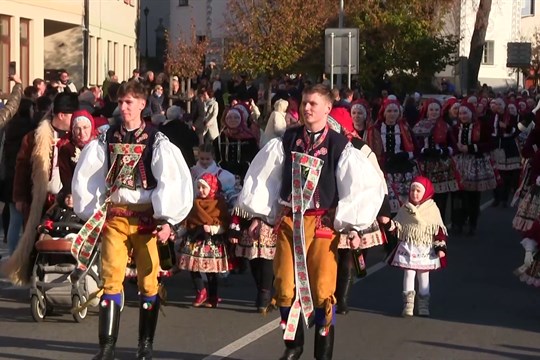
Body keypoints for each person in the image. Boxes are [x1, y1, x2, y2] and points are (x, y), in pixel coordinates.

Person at [235, 84, 385, 359]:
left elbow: (357, 186)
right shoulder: (287, 140)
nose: (306, 108)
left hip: (322, 224)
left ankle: (322, 354)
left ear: (328, 108)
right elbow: (266, 177)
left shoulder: (340, 145)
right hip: (290, 221)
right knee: (284, 286)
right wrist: (259, 214)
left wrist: (353, 226)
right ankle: (294, 346)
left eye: (313, 104)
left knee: (323, 290)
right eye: (304, 103)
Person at [71, 81, 193, 360]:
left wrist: (167, 220)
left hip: (146, 220)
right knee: (111, 278)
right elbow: (89, 176)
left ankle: (145, 346)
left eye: (129, 102)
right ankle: (107, 347)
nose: (123, 107)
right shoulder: (106, 137)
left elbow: (170, 179)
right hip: (115, 217)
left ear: (142, 105)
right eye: (121, 102)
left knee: (149, 282)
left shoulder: (156, 140)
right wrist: (93, 212)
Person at [1, 92, 79, 285]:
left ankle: (66, 279)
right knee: (36, 239)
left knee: (67, 239)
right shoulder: (33, 137)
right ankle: (36, 280)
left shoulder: (76, 138)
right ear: (61, 115)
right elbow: (21, 168)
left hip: (69, 200)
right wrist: (19, 197)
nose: (74, 120)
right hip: (42, 198)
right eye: (71, 116)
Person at [387, 176, 447, 317]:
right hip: (409, 246)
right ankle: (408, 304)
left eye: (418, 190)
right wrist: (389, 225)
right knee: (409, 273)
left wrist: (440, 247)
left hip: (425, 248)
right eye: (413, 190)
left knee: (423, 275)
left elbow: (438, 230)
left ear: (425, 192)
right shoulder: (406, 208)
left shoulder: (432, 208)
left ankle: (423, 304)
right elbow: (398, 225)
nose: (414, 193)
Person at [177, 173, 231, 308]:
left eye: (204, 187)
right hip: (195, 239)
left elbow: (224, 224)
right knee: (192, 266)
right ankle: (201, 290)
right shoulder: (195, 203)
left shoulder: (219, 204)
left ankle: (213, 296)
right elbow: (188, 221)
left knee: (211, 271)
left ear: (212, 188)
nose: (200, 190)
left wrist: (213, 229)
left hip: (212, 242)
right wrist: (177, 234)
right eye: (199, 187)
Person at [451, 102, 496, 236]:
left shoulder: (482, 127)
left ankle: (473, 223)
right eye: (460, 113)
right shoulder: (455, 128)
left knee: (473, 196)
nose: (463, 116)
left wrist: (471, 148)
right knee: (458, 195)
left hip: (475, 163)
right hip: (458, 163)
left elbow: (490, 144)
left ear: (472, 114)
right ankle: (458, 222)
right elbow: (450, 143)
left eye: (465, 113)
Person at [412, 99, 458, 221]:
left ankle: (439, 224)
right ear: (426, 111)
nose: (434, 112)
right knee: (425, 198)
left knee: (441, 199)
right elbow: (414, 145)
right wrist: (423, 150)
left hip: (442, 166)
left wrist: (443, 151)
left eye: (436, 110)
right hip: (425, 165)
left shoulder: (446, 126)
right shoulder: (418, 126)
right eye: (431, 109)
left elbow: (454, 146)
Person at [57, 109, 97, 193]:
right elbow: (66, 178)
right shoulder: (67, 149)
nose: (82, 133)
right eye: (78, 129)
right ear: (72, 130)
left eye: (85, 127)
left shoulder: (99, 145)